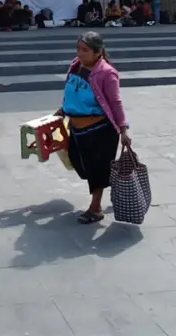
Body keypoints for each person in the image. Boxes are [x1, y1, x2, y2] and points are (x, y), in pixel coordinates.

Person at [53, 31, 131, 224]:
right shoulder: (76, 65)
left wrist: (123, 130)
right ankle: (108, 182)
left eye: (85, 50)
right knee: (79, 163)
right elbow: (72, 91)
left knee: (97, 170)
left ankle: (95, 208)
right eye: (78, 49)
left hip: (100, 130)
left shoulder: (107, 73)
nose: (80, 53)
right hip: (77, 129)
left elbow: (115, 102)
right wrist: (63, 110)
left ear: (98, 52)